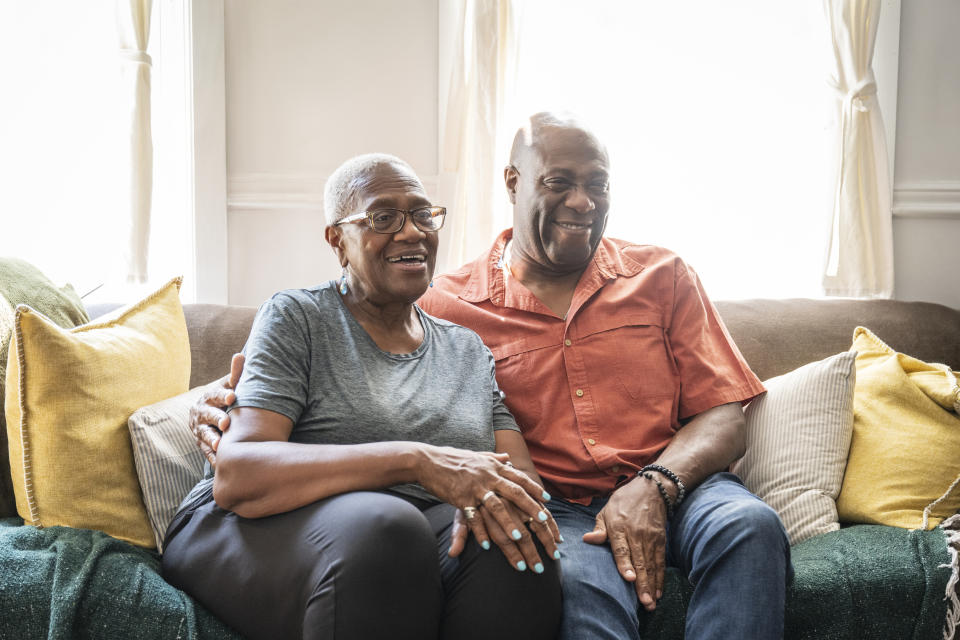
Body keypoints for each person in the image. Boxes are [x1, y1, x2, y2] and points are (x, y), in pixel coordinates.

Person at [192, 114, 793, 639]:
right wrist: (209, 401)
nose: (582, 202)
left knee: (746, 527)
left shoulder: (656, 276)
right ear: (514, 183)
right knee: (566, 587)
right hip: (564, 509)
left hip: (680, 486)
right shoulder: (448, 304)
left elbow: (721, 414)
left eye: (597, 185)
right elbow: (314, 349)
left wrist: (652, 487)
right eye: (560, 182)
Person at [163, 153, 562, 640]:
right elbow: (238, 474)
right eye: (382, 218)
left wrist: (491, 503)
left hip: (403, 539)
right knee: (387, 526)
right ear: (338, 241)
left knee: (516, 540)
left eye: (421, 214)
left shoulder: (466, 349)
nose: (411, 231)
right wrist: (414, 461)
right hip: (248, 525)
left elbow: (518, 480)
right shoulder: (297, 318)